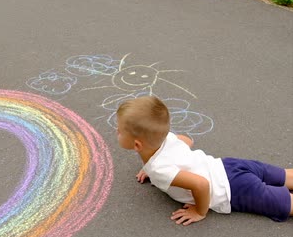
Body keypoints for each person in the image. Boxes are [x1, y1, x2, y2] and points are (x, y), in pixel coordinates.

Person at [115, 96, 292, 225]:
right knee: (283, 176)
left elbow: (201, 184)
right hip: (229, 166)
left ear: (137, 145)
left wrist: (199, 211)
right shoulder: (167, 138)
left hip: (233, 189)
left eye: (120, 131)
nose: (117, 132)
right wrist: (150, 167)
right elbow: (187, 141)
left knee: (284, 204)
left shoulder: (159, 169)